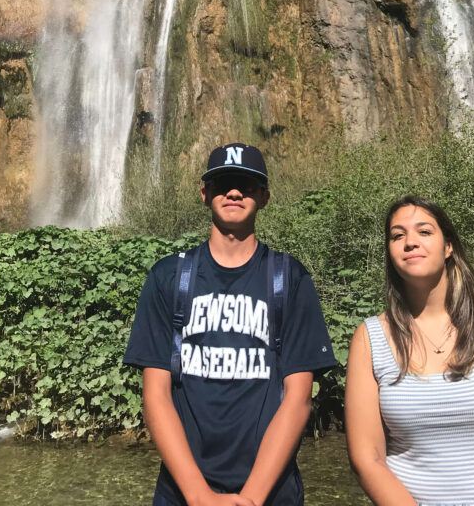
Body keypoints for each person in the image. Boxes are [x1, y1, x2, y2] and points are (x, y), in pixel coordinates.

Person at [124, 142, 336, 506]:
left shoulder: (290, 279)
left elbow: (299, 398)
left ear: (264, 197)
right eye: (223, 184)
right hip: (182, 494)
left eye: (246, 184)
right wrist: (198, 496)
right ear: (205, 194)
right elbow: (155, 395)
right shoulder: (168, 277)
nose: (234, 192)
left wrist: (251, 500)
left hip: (271, 494)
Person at [345, 195, 474, 506]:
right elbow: (368, 460)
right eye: (397, 235)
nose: (410, 242)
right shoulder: (369, 339)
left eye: (424, 232)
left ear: (449, 247)